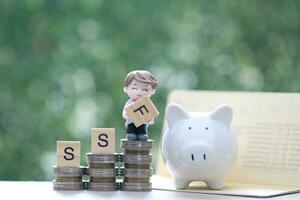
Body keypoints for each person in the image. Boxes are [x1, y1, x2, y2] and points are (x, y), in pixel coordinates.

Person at [122, 70, 158, 141]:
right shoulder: (129, 102)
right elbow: (125, 112)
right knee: (131, 128)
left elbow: (150, 114)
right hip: (131, 121)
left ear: (152, 91)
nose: (139, 92)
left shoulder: (147, 103)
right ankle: (131, 134)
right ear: (126, 89)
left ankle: (142, 134)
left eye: (145, 89)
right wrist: (126, 115)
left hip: (142, 122)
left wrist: (150, 119)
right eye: (134, 88)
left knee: (142, 128)